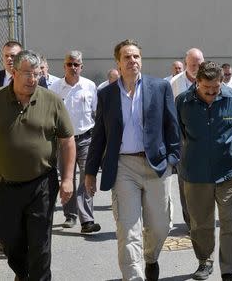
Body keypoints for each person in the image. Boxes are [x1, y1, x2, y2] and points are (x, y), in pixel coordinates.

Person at [0, 50, 76, 280]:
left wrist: (67, 179)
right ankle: (23, 273)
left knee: (40, 246)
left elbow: (67, 141)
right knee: (7, 239)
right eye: (27, 73)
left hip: (42, 184)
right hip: (5, 186)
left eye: (36, 74)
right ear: (14, 72)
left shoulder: (51, 100)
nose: (32, 79)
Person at [85, 39, 181, 281]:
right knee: (128, 230)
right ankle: (134, 276)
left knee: (160, 227)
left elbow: (172, 126)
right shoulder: (106, 94)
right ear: (118, 62)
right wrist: (89, 173)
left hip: (157, 164)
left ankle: (151, 257)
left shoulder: (159, 87)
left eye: (136, 56)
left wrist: (172, 158)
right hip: (123, 166)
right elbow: (99, 135)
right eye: (127, 57)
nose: (132, 61)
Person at [0, 40, 47, 252]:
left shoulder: (36, 81)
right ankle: (6, 235)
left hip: (29, 156)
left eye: (14, 55)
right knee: (0, 193)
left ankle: (22, 237)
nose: (10, 59)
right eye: (6, 55)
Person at [176, 61, 232, 281]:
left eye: (216, 89)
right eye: (207, 89)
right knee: (200, 223)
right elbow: (179, 134)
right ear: (197, 82)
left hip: (229, 171)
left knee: (230, 221)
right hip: (195, 173)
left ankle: (230, 270)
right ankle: (205, 261)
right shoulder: (183, 102)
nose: (213, 93)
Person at [49, 50, 101, 233]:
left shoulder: (90, 86)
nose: (73, 67)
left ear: (81, 66)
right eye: (69, 64)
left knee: (87, 177)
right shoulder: (55, 88)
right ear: (64, 66)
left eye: (76, 64)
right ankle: (70, 215)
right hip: (63, 142)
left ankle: (87, 220)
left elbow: (96, 113)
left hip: (86, 138)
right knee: (67, 177)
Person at [169, 48, 205, 232]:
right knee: (185, 182)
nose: (196, 68)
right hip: (183, 140)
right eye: (192, 65)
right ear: (186, 63)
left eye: (199, 64)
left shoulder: (210, 80)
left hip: (206, 140)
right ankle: (190, 221)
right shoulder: (174, 84)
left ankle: (203, 218)